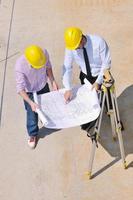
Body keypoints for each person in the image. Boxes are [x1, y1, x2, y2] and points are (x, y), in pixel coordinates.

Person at [62, 27, 111, 131]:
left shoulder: (99, 42)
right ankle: (90, 121)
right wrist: (68, 88)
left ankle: (112, 115)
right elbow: (67, 67)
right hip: (85, 76)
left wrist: (98, 82)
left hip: (101, 74)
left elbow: (106, 64)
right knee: (88, 100)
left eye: (76, 47)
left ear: (81, 39)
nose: (75, 50)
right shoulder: (71, 47)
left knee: (107, 98)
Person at [15, 45, 58, 149]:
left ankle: (46, 120)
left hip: (43, 85)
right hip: (29, 91)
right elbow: (20, 89)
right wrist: (31, 102)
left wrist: (52, 81)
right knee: (32, 114)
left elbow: (48, 67)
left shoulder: (43, 53)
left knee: (46, 106)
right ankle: (33, 134)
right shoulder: (19, 66)